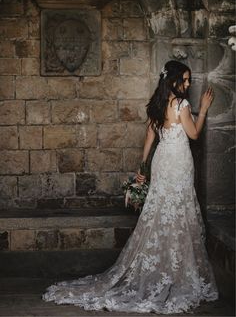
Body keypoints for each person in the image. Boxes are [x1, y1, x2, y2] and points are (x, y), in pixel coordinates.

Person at [42, 60, 219, 314]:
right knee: (178, 211)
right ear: (174, 81)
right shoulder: (182, 105)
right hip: (178, 162)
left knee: (160, 211)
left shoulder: (158, 104)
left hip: (162, 162)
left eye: (189, 80)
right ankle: (176, 270)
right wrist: (203, 110)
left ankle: (163, 267)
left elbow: (149, 137)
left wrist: (143, 166)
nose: (188, 84)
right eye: (186, 80)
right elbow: (193, 135)